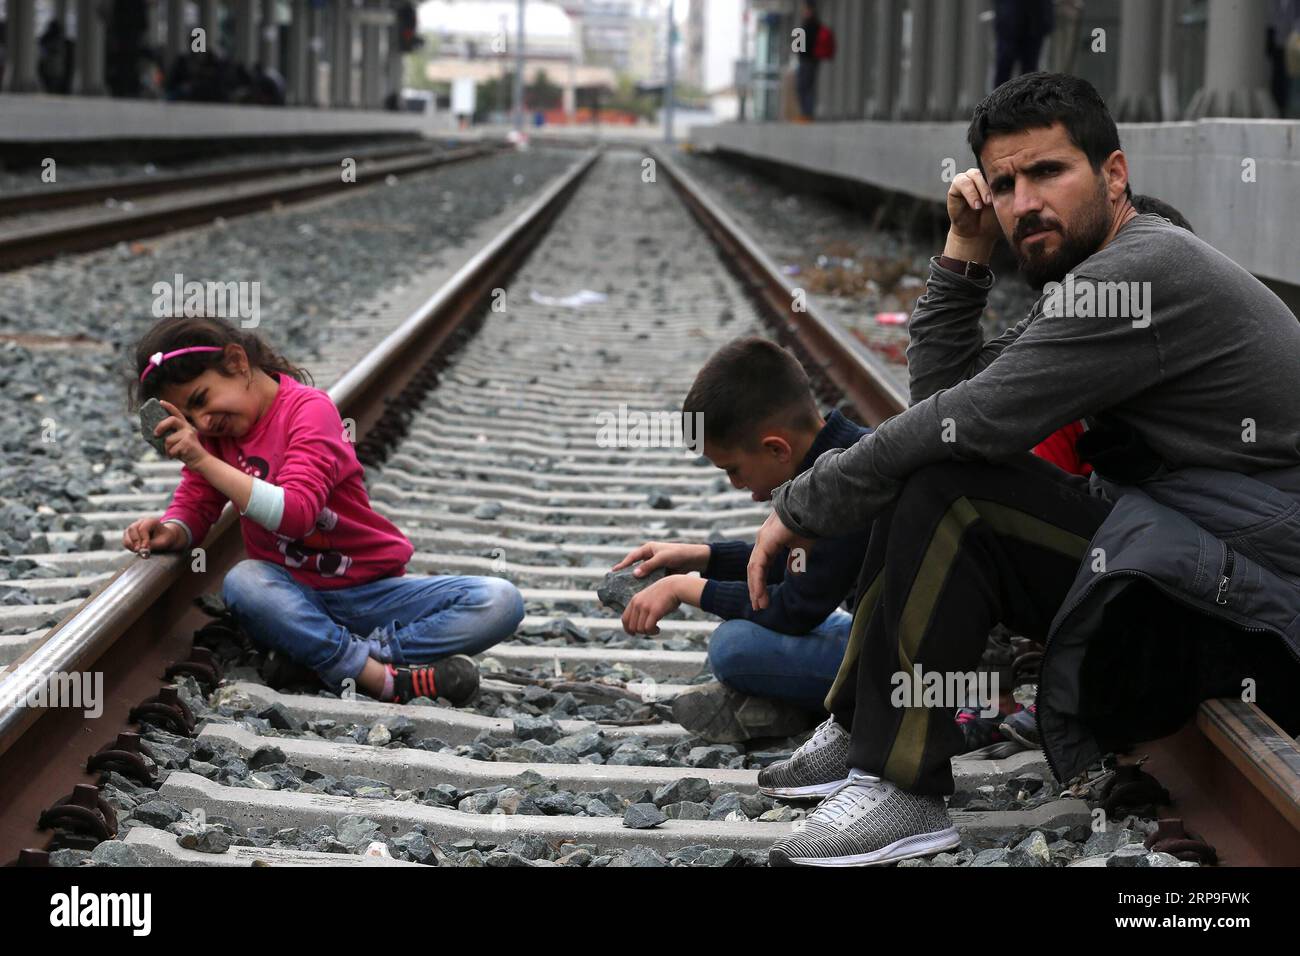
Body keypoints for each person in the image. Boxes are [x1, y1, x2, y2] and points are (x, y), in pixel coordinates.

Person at [749, 72, 1300, 867]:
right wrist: (965, 253)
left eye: (1048, 172)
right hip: (1198, 572)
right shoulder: (1097, 277)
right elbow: (949, 402)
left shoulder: (1138, 278)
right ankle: (862, 726)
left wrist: (798, 506)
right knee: (927, 467)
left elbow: (959, 424)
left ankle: (901, 785)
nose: (1022, 202)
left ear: (1115, 175)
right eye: (1004, 183)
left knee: (950, 489)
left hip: (1259, 618)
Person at [122, 316, 524, 705]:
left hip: (371, 595)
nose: (204, 422)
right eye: (190, 418)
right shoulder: (215, 438)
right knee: (245, 581)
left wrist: (201, 459)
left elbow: (296, 514)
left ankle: (337, 660)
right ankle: (383, 680)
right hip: (294, 601)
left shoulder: (309, 411)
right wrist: (171, 530)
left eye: (201, 400)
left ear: (237, 362)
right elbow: (196, 504)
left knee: (499, 600)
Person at [613, 338, 872, 760]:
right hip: (885, 638)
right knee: (744, 641)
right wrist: (702, 555)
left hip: (910, 668)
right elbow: (789, 567)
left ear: (776, 448)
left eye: (732, 469)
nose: (737, 485)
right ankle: (801, 708)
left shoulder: (842, 490)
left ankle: (817, 710)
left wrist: (686, 589)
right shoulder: (846, 457)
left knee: (734, 649)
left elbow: (794, 609)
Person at [993, 0, 1054, 87]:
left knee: (1030, 72)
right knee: (1004, 66)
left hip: (1036, 20)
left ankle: (1027, 98)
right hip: (1009, 21)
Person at [795, 1, 822, 121]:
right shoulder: (814, 24)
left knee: (803, 87)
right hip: (811, 60)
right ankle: (806, 113)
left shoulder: (810, 24)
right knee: (806, 87)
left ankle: (807, 114)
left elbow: (802, 44)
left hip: (807, 60)